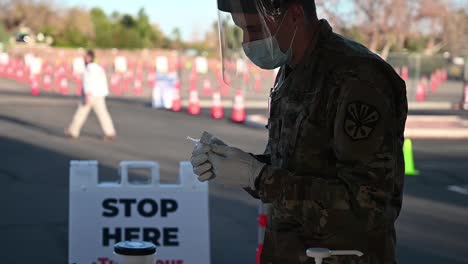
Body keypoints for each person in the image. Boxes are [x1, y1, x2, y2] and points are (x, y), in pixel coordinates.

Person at [191, 0, 408, 263]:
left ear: (293, 15)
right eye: (242, 32)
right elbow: (295, 166)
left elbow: (369, 209)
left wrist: (258, 177)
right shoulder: (293, 67)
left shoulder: (358, 78)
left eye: (255, 30)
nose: (247, 42)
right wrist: (240, 164)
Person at [66, 50, 117, 141]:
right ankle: (110, 132)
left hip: (91, 94)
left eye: (85, 57)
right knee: (103, 114)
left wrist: (87, 95)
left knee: (81, 113)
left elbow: (87, 83)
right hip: (99, 94)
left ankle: (73, 131)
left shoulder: (89, 68)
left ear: (89, 58)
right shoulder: (99, 68)